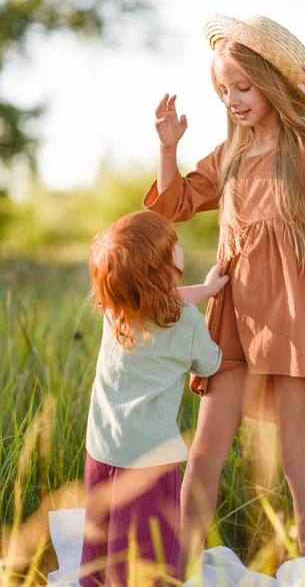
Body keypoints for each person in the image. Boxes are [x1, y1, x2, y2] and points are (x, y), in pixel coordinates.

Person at [144, 15, 305, 580]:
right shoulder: (229, 154)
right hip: (237, 316)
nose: (232, 99)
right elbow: (174, 204)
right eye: (222, 90)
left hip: (298, 317)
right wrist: (168, 148)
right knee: (206, 449)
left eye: (242, 86)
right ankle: (180, 569)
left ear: (271, 82)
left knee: (294, 453)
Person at [79, 210, 229, 586]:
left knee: (102, 534)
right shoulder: (187, 322)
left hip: (102, 446)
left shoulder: (117, 308)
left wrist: (205, 291)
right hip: (149, 459)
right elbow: (210, 364)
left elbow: (161, 299)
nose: (179, 247)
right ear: (162, 265)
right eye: (173, 245)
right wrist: (207, 313)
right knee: (148, 551)